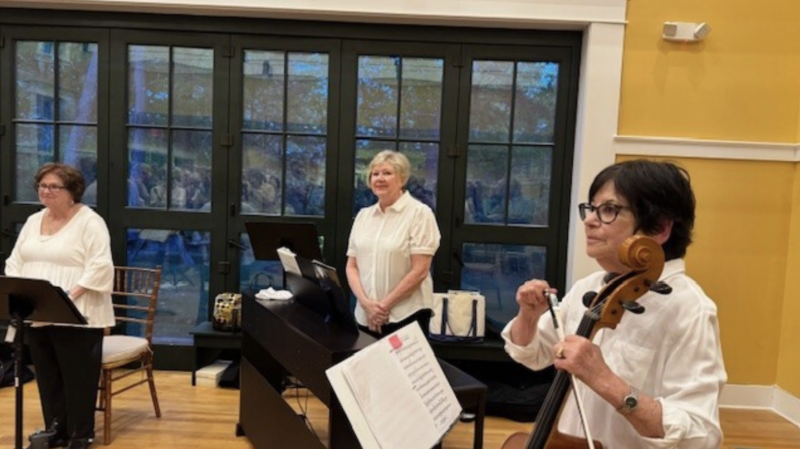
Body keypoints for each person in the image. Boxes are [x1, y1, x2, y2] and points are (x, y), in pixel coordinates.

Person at [502, 160, 727, 448]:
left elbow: (700, 435)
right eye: (591, 208)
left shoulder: (690, 310)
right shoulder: (591, 287)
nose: (589, 220)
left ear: (659, 227)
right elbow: (532, 354)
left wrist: (605, 379)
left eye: (609, 210)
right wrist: (529, 317)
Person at [5, 162, 114, 449]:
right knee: (48, 375)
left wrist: (68, 295)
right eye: (42, 186)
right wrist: (22, 292)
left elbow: (100, 266)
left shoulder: (90, 222)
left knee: (77, 377)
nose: (46, 191)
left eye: (54, 186)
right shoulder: (33, 221)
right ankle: (56, 428)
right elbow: (16, 260)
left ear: (72, 191)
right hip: (38, 310)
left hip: (78, 311)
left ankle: (80, 434)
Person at [346, 150, 441, 338]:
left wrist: (382, 307)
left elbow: (420, 270)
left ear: (402, 179)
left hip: (406, 316)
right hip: (365, 315)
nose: (380, 178)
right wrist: (367, 304)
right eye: (375, 174)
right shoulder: (363, 216)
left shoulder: (420, 214)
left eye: (387, 173)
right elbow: (352, 266)